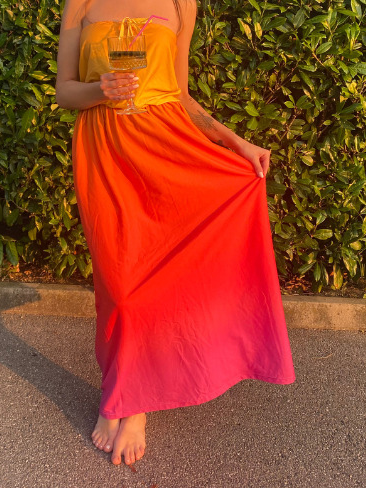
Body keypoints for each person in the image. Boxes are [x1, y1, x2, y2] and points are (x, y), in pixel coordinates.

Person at [55, 0, 296, 467]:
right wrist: (100, 89)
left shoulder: (181, 4)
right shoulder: (80, 2)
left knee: (154, 283)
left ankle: (131, 403)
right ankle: (122, 388)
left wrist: (236, 142)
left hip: (166, 147)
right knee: (119, 286)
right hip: (104, 151)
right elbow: (65, 92)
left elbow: (180, 96)